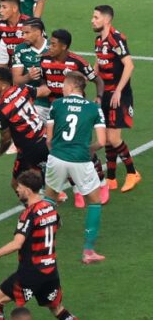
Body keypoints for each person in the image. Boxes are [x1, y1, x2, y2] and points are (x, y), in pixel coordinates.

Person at [0, 169, 102, 320]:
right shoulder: (50, 208)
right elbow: (58, 224)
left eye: (20, 187)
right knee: (58, 309)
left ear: (27, 189)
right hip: (50, 271)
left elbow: (17, 244)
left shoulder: (28, 214)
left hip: (31, 272)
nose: (17, 190)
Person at [40, 29, 108, 207]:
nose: (49, 47)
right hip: (54, 109)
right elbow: (40, 80)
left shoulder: (77, 62)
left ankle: (101, 182)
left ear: (64, 46)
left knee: (77, 148)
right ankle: (75, 187)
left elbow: (98, 80)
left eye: (54, 44)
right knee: (62, 150)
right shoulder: (43, 60)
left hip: (73, 109)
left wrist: (99, 98)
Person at [45, 72, 107, 263]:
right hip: (81, 159)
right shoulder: (94, 108)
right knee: (95, 202)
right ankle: (88, 251)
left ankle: (44, 249)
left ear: (72, 87)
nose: (62, 89)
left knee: (49, 200)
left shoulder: (55, 105)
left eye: (64, 85)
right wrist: (89, 149)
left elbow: (48, 139)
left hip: (56, 158)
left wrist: (57, 152)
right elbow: (102, 142)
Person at [92, 5, 141, 192]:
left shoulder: (116, 39)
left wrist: (119, 91)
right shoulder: (99, 41)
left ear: (106, 20)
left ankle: (132, 173)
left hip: (118, 95)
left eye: (96, 17)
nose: (92, 20)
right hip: (105, 94)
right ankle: (111, 178)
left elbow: (129, 65)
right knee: (105, 135)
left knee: (113, 138)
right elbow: (98, 63)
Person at [0, 67, 48, 193]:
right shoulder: (22, 89)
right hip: (45, 137)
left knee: (17, 184)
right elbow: (44, 92)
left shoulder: (1, 109)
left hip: (29, 149)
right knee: (43, 175)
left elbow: (6, 138)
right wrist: (44, 78)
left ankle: (38, 209)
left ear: (3, 85)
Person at [0, 0, 31, 130]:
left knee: (23, 88)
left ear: (14, 9)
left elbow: (40, 43)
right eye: (0, 7)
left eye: (4, 7)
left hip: (27, 63)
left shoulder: (28, 24)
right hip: (13, 61)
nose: (0, 11)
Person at [12, 18, 51, 118]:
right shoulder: (20, 49)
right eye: (22, 33)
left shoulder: (53, 47)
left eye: (27, 33)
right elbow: (16, 81)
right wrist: (28, 77)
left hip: (52, 100)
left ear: (38, 32)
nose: (23, 36)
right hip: (32, 101)